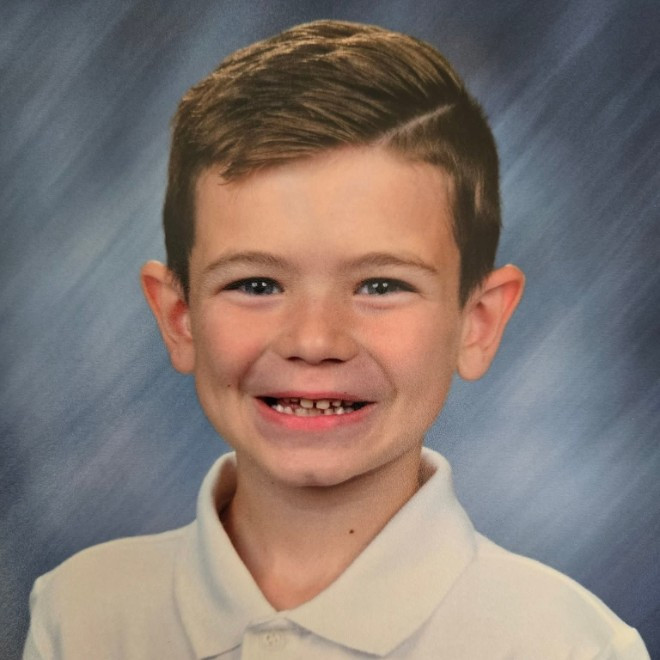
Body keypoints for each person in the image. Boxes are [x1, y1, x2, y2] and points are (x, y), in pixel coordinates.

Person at [23, 20, 649, 659]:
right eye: (257, 284)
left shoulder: (571, 645)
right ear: (178, 317)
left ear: (477, 323)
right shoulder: (80, 615)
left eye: (380, 285)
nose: (315, 339)